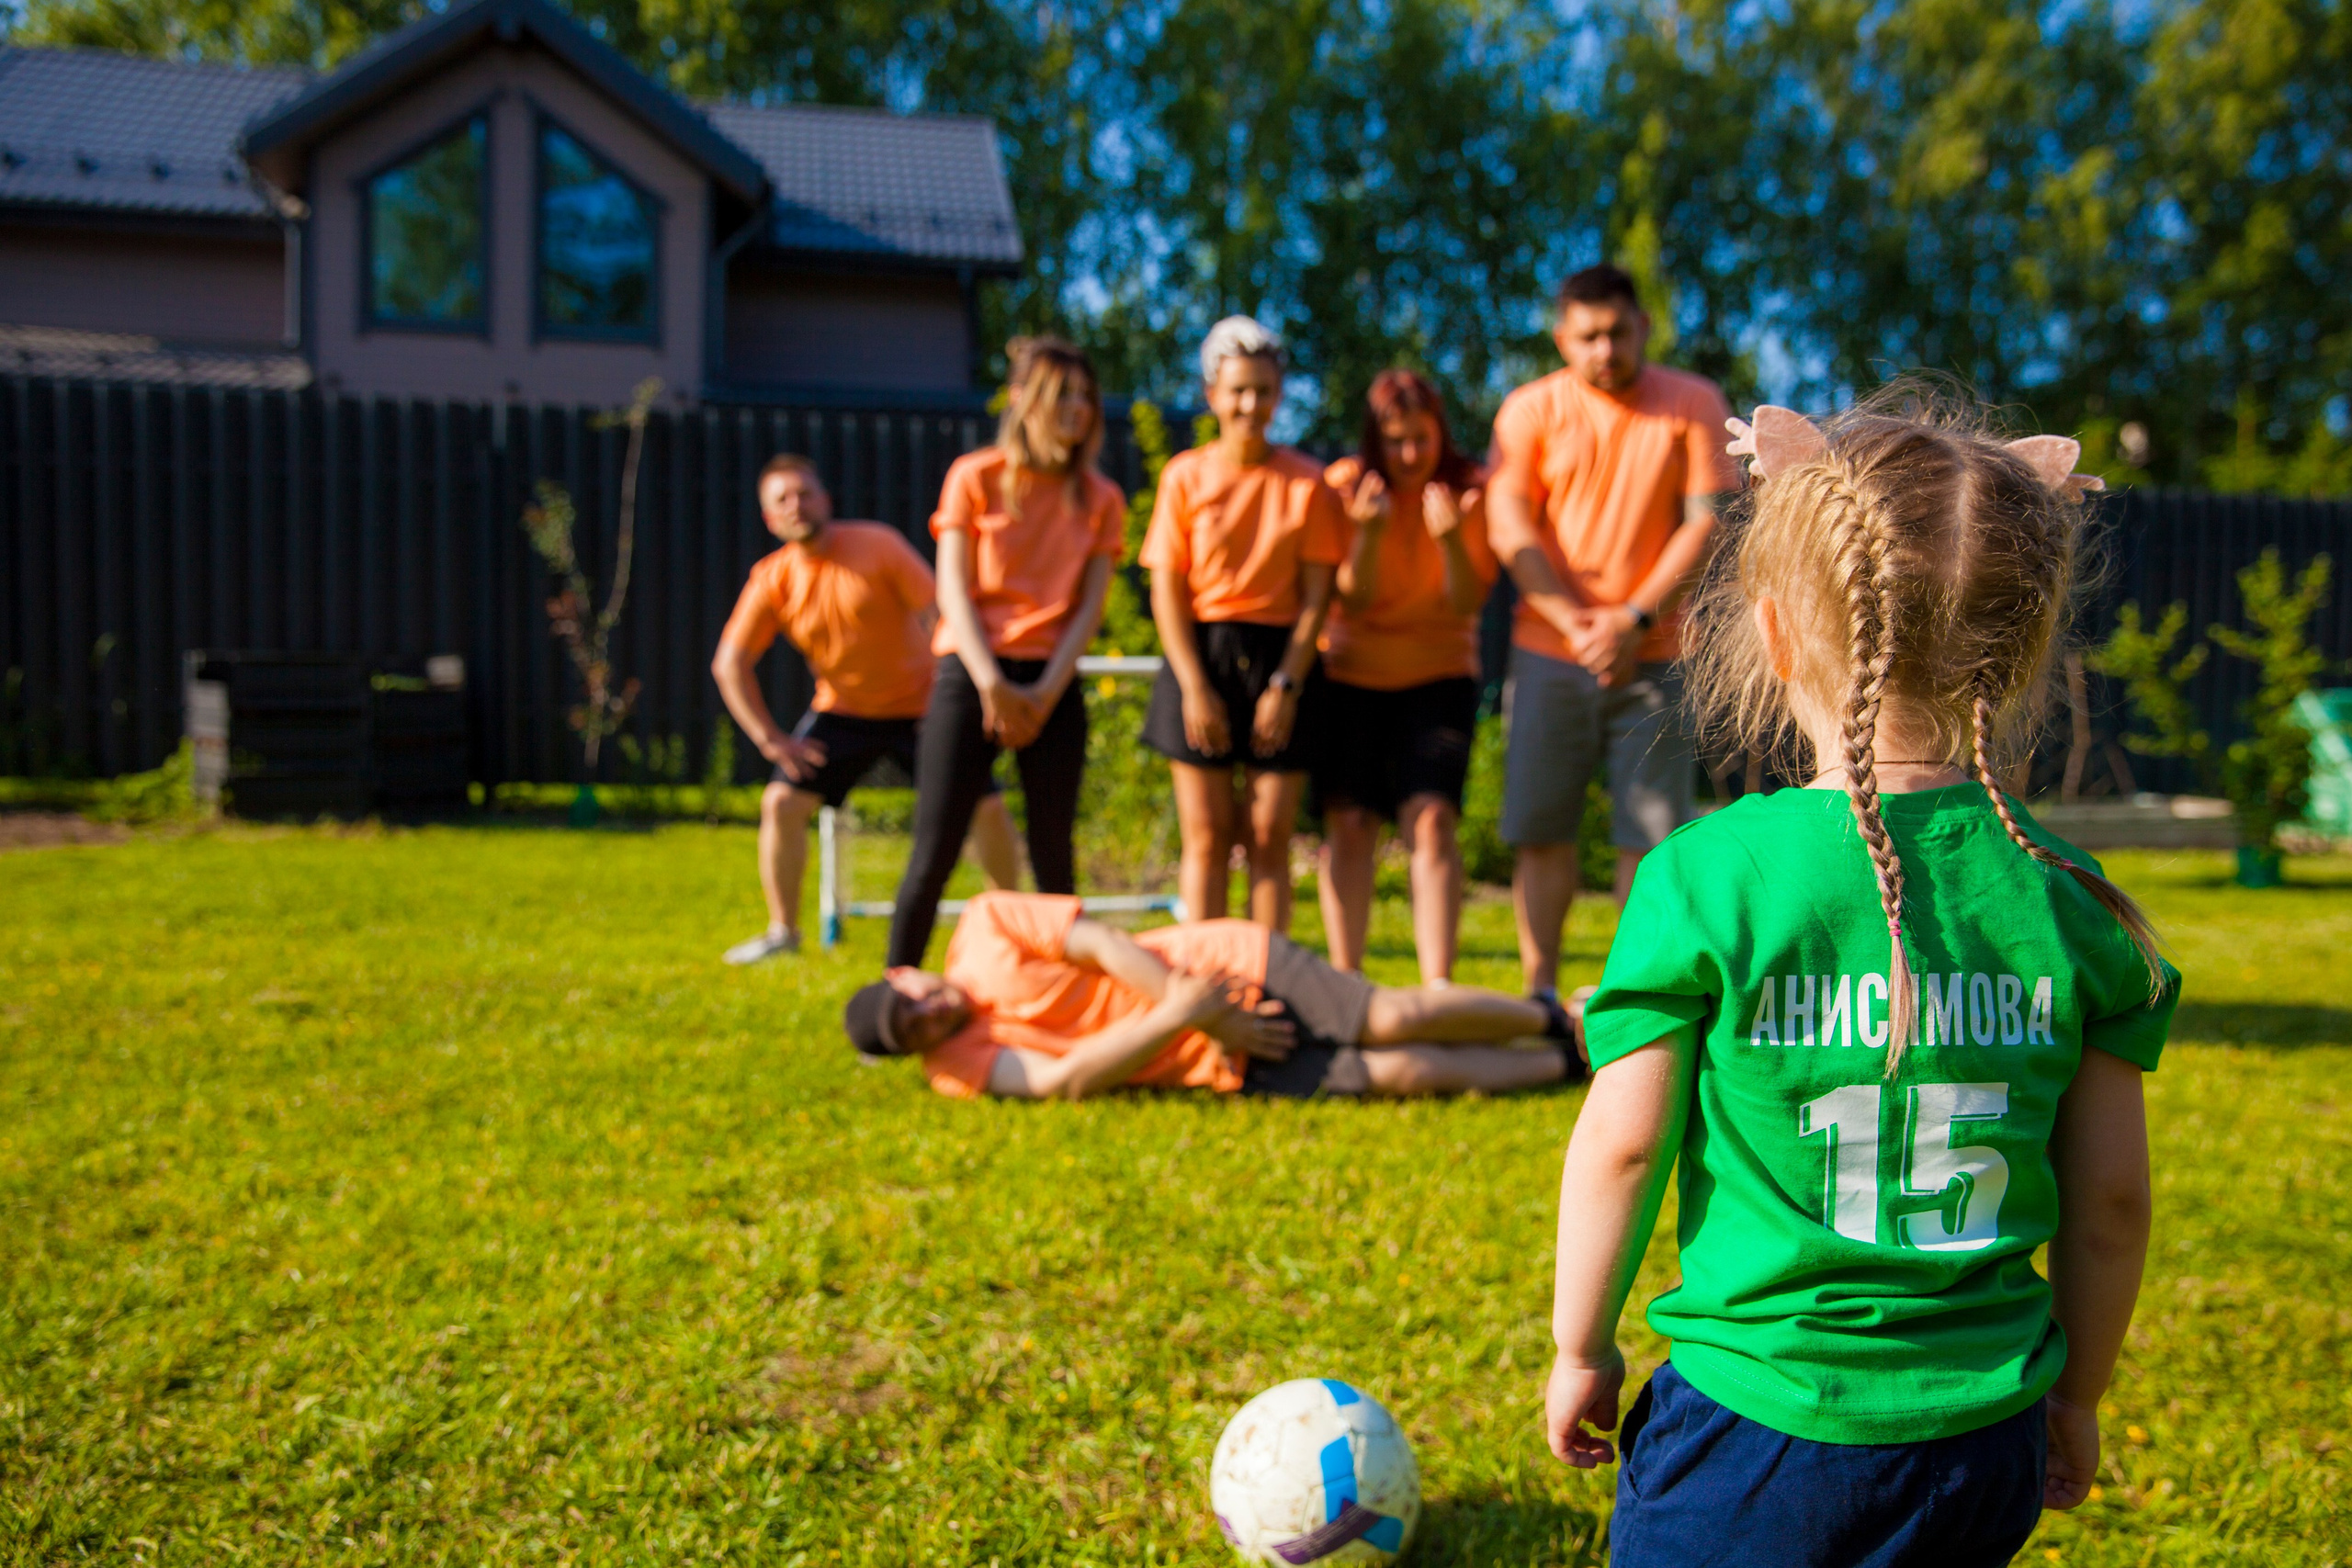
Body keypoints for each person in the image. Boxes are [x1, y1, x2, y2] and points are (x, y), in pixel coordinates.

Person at [1541, 394, 2177, 1566]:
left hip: (1746, 1432)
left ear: (1773, 637)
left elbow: (1622, 1147)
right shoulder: (2068, 900)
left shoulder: (1706, 876)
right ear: (2024, 648)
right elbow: (2113, 1205)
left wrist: (1580, 1346)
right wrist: (2077, 1397)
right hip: (1978, 1441)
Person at [1486, 263, 1741, 1006]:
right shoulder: (1528, 410)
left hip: (1656, 655)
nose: (1605, 349)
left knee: (1650, 836)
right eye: (1588, 336)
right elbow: (1509, 524)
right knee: (1541, 827)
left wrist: (1631, 618)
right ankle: (1539, 991)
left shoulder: (1693, 402)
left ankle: (1634, 996)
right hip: (1546, 653)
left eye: (1618, 332)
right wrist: (1575, 622)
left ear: (1644, 327)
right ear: (1562, 338)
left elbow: (1708, 520)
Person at [710, 454, 1022, 963]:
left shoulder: (878, 545)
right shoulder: (772, 578)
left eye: (805, 493)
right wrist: (771, 740)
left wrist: (969, 695)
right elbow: (729, 665)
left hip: (924, 707)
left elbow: (939, 616)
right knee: (780, 804)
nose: (797, 505)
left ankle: (1017, 926)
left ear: (826, 500)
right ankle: (783, 934)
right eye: (782, 499)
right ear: (770, 519)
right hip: (844, 712)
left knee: (985, 805)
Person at [842, 891, 1584, 1100]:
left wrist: (1206, 1004)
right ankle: (1568, 1067)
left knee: (1390, 1015)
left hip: (1229, 964)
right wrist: (1190, 1020)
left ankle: (1555, 1018)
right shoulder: (957, 1069)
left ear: (902, 972)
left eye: (913, 1000)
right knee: (1404, 1073)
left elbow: (1102, 943)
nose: (929, 1013)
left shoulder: (984, 922)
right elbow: (1062, 1078)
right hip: (1211, 1057)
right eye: (917, 1032)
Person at [885, 338, 1125, 968]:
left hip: (1053, 681)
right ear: (1023, 401)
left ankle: (1064, 992)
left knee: (1053, 852)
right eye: (1062, 395)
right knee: (934, 847)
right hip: (972, 673)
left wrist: (1044, 693)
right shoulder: (975, 475)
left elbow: (1088, 609)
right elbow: (952, 591)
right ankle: (898, 986)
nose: (1078, 408)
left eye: (1086, 397)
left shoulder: (1101, 498)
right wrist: (991, 684)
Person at [1142, 316, 1345, 933]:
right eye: (1237, 390)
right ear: (1212, 395)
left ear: (1279, 396)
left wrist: (1285, 685)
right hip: (1198, 653)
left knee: (1267, 836)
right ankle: (1200, 985)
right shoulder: (1184, 476)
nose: (1250, 404)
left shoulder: (1308, 482)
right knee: (1205, 835)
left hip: (1282, 657)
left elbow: (1317, 598)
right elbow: (1166, 591)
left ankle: (1268, 984)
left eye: (1262, 390)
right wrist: (1195, 686)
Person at [1314, 370, 1497, 983]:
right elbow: (1353, 600)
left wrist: (1450, 540)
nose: (1410, 454)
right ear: (1374, 440)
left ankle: (1437, 985)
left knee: (1432, 820)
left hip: (1438, 675)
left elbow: (1468, 600)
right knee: (1350, 822)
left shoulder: (1471, 489)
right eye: (1394, 440)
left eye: (1422, 438)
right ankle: (1346, 980)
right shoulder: (1344, 487)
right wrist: (1367, 534)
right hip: (1351, 675)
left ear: (1441, 433)